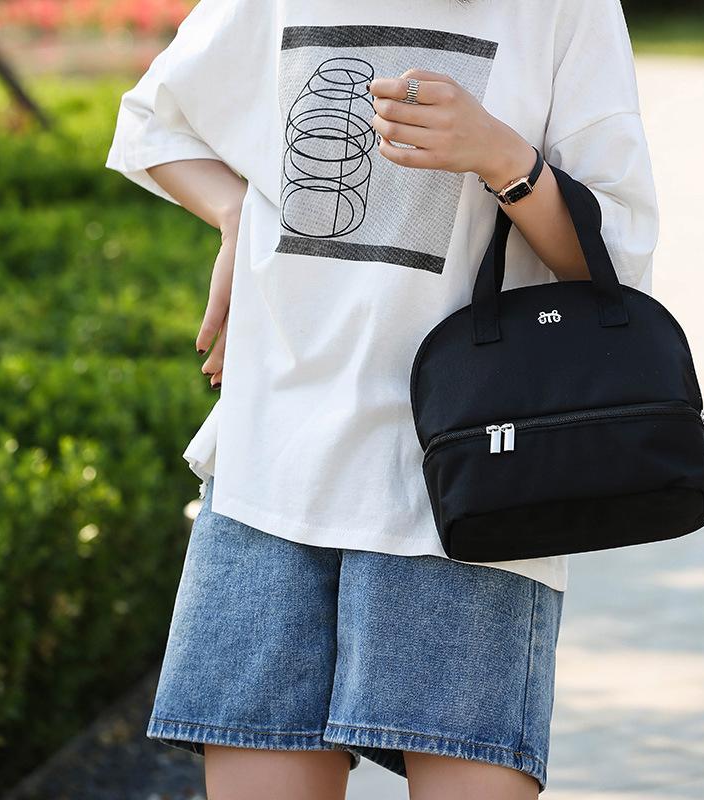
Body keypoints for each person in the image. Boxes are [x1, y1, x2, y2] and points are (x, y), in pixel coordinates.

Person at [105, 0, 658, 796]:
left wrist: (504, 157)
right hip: (270, 470)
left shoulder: (562, 11)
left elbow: (617, 267)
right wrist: (234, 217)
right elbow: (154, 122)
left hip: (469, 483)